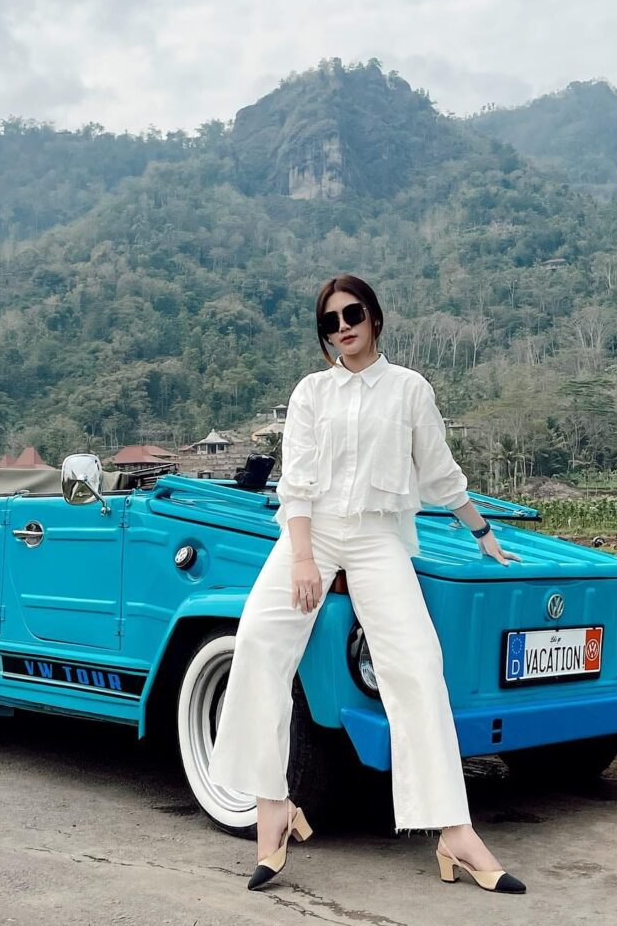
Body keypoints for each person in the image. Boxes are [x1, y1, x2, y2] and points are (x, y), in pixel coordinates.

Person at [207, 273, 526, 895]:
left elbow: (439, 472)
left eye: (351, 313)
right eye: (330, 321)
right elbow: (297, 483)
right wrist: (303, 559)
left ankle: (454, 831)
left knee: (417, 665)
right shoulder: (311, 392)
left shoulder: (409, 389)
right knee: (259, 645)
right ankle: (273, 806)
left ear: (374, 317)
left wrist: (482, 531)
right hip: (312, 531)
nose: (342, 327)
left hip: (378, 536)